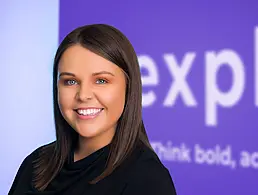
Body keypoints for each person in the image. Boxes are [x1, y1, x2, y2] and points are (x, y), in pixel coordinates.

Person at [8, 24, 177, 195]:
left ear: (129, 87)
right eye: (70, 81)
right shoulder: (36, 163)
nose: (83, 95)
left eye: (101, 80)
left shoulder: (148, 180)